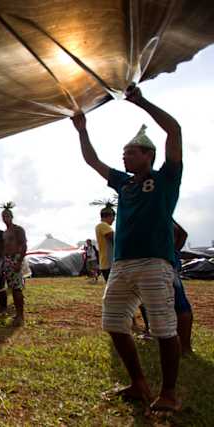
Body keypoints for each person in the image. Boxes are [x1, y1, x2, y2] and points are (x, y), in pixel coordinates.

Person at [72, 85, 183, 411]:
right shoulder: (123, 182)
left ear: (149, 156)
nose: (125, 156)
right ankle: (139, 383)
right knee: (114, 323)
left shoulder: (166, 178)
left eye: (131, 152)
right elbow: (92, 160)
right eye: (124, 152)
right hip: (121, 265)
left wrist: (141, 101)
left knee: (163, 328)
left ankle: (169, 393)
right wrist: (82, 130)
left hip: (154, 263)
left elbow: (174, 130)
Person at [0, 203, 27, 326]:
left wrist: (19, 262)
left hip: (16, 259)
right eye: (3, 216)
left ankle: (21, 316)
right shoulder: (5, 233)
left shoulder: (18, 229)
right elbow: (4, 248)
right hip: (7, 260)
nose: (5, 218)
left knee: (17, 289)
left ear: (11, 216)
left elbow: (24, 246)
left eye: (7, 216)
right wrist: (3, 262)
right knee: (12, 288)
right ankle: (17, 314)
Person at [173, 221, 193, 355]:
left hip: (163, 262)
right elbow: (183, 234)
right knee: (179, 304)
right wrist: (174, 252)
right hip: (169, 260)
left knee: (179, 305)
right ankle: (184, 345)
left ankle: (184, 347)